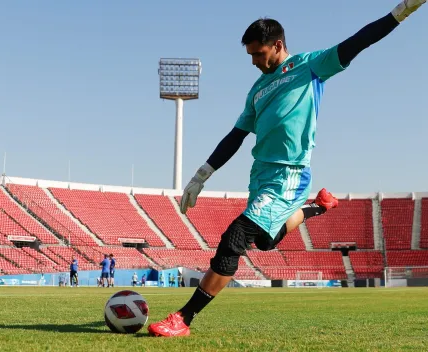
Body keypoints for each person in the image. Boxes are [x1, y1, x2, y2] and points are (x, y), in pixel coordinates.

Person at [147, 0, 426, 337]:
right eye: (249, 55)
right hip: (261, 176)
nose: (253, 61)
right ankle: (316, 207)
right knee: (265, 241)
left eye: (258, 53)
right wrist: (201, 174)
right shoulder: (257, 90)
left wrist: (402, 11)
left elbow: (359, 40)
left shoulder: (310, 65)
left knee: (235, 237)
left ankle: (184, 318)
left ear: (277, 45)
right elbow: (235, 136)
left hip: (289, 174)